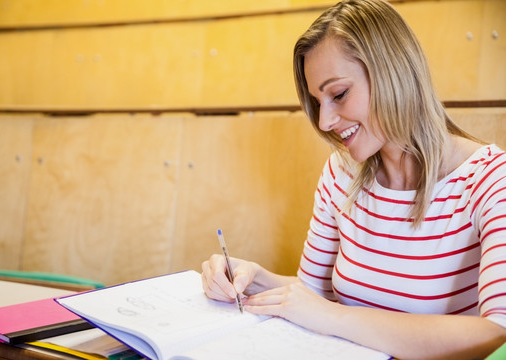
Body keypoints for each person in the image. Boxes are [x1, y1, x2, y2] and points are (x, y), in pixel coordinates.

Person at [201, 0, 506, 358]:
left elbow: (495, 333)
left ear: (394, 72)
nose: (325, 122)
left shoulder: (491, 180)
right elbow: (311, 296)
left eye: (339, 94)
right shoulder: (339, 174)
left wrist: (334, 317)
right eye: (318, 102)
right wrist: (255, 278)